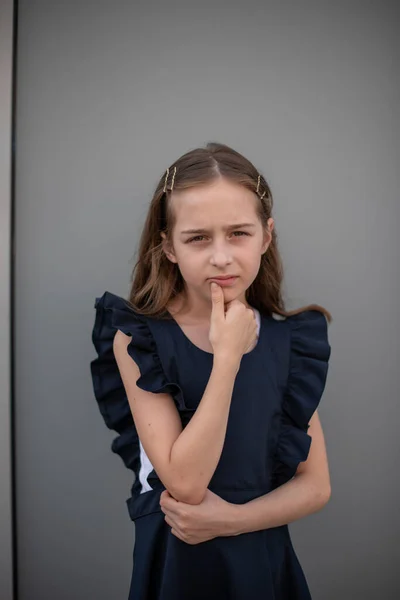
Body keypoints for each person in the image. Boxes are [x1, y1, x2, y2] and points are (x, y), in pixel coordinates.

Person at [90, 142, 332, 600]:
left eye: (238, 233)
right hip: (176, 565)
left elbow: (316, 485)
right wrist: (227, 360)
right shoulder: (139, 339)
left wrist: (232, 521)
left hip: (263, 559)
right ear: (169, 247)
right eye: (198, 237)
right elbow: (185, 483)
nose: (220, 256)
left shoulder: (287, 343)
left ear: (266, 235)